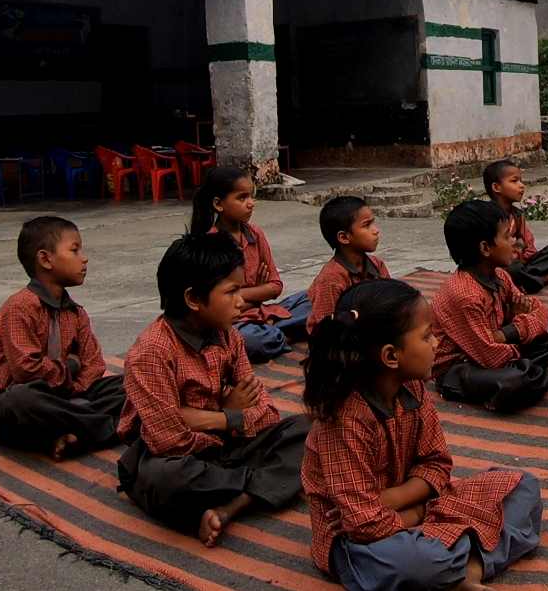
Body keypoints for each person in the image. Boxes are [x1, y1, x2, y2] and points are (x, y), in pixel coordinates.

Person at [301, 279, 543, 591]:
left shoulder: (412, 386)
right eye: (427, 336)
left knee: (524, 487)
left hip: (419, 507)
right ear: (391, 356)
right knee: (419, 561)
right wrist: (417, 509)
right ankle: (460, 558)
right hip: (359, 540)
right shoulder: (344, 418)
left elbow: (438, 463)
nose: (436, 344)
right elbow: (363, 523)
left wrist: (401, 501)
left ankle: (469, 570)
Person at [117, 232, 310, 546]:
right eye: (231, 291)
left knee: (309, 430)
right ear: (193, 299)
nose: (241, 301)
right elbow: (171, 442)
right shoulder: (151, 352)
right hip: (171, 458)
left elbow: (266, 412)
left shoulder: (229, 336)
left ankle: (233, 504)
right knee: (168, 478)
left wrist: (217, 418)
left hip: (224, 445)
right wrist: (231, 415)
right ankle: (261, 486)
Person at [0, 216, 125, 458]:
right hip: (28, 403)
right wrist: (70, 366)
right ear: (45, 259)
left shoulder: (76, 312)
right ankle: (108, 429)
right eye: (75, 250)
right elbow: (26, 371)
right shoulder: (19, 307)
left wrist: (73, 389)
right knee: (18, 400)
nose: (84, 257)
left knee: (132, 383)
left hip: (68, 399)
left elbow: (94, 364)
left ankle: (75, 431)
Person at [430, 200, 548, 413]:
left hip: (501, 350)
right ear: (485, 248)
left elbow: (538, 311)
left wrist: (509, 331)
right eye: (507, 236)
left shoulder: (500, 276)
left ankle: (529, 373)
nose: (517, 243)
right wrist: (517, 330)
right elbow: (489, 355)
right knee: (514, 379)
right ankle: (545, 373)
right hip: (460, 367)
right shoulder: (465, 295)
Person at [192, 167, 309, 361]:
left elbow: (276, 286)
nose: (251, 204)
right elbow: (219, 302)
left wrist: (246, 294)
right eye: (242, 198)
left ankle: (272, 328)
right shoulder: (210, 244)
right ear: (218, 204)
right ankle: (283, 333)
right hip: (234, 322)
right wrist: (259, 291)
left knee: (313, 298)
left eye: (251, 196)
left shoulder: (255, 234)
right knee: (251, 340)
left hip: (263, 311)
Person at [306, 196, 390, 333]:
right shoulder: (331, 278)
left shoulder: (377, 265)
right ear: (344, 237)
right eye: (366, 225)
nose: (376, 230)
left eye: (373, 223)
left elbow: (391, 301)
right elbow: (326, 328)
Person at [483, 160, 548, 293]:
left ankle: (525, 277)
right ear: (496, 187)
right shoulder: (488, 216)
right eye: (514, 181)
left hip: (519, 262)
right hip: (501, 265)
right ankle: (537, 281)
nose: (521, 186)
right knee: (512, 269)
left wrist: (523, 256)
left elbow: (528, 244)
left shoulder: (517, 215)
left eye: (521, 181)